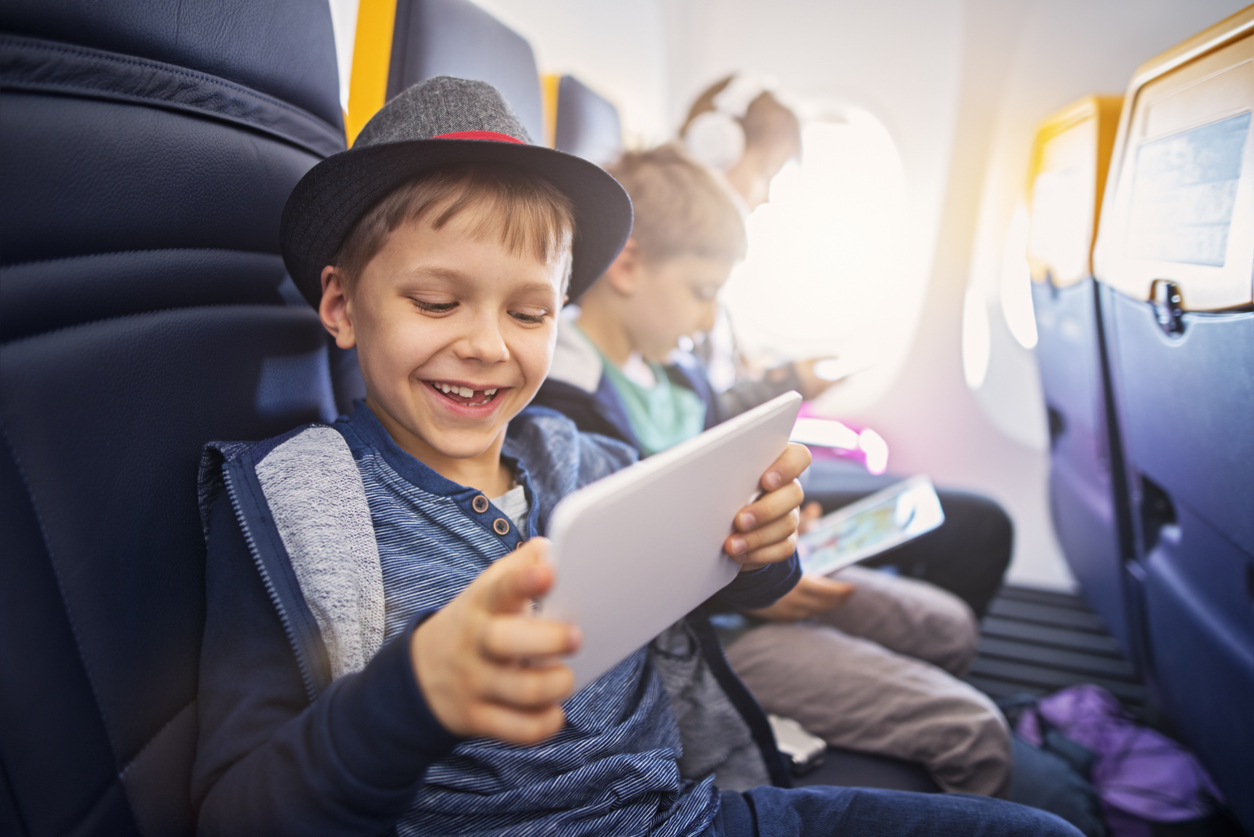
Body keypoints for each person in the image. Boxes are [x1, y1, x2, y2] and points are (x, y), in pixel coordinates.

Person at [192, 76, 1079, 837]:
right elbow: (234, 809)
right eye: (435, 300)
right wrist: (411, 692)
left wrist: (760, 554)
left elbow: (705, 593)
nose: (487, 345)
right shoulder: (292, 503)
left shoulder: (582, 457)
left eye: (530, 313)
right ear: (343, 307)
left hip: (694, 810)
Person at [535, 144, 1013, 796]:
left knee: (948, 626)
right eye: (702, 293)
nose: (709, 319)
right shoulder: (566, 399)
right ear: (627, 263)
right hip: (709, 634)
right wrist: (764, 579)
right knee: (975, 731)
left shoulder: (681, 377)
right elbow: (636, 571)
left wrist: (775, 518)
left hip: (749, 582)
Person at [681, 74, 1012, 620]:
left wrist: (777, 372)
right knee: (979, 526)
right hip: (736, 478)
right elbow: (701, 414)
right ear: (714, 146)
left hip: (755, 465)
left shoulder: (708, 269)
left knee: (931, 505)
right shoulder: (670, 272)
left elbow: (714, 381)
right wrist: (792, 383)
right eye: (765, 172)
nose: (764, 196)